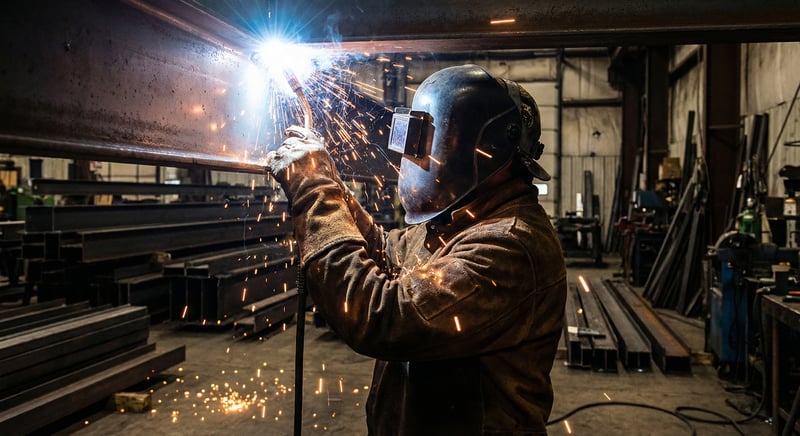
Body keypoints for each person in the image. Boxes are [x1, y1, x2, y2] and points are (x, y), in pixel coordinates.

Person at [267, 64, 567, 435]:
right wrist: (329, 184)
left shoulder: (510, 244)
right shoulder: (457, 219)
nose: (413, 157)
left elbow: (383, 317)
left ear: (481, 148)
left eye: (425, 143)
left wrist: (313, 190)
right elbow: (384, 253)